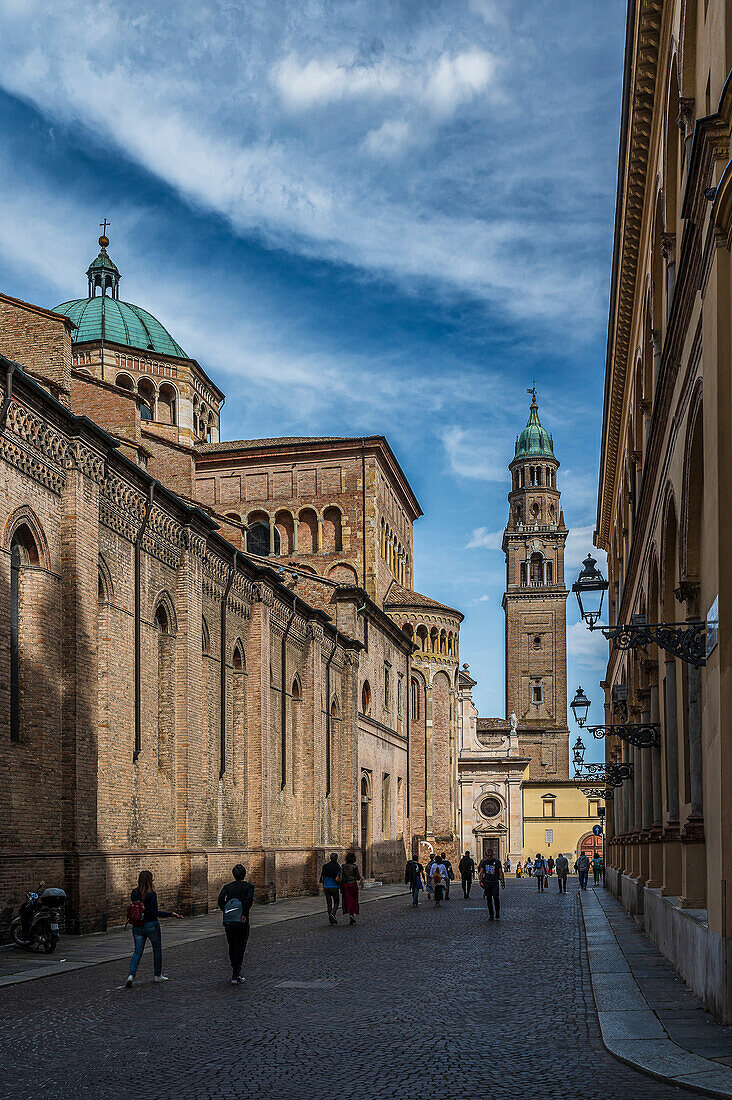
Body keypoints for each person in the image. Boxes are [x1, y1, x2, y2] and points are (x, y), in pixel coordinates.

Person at [125, 870, 182, 987]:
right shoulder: (152, 894)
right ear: (150, 880)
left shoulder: (134, 893)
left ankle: (131, 975)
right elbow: (155, 912)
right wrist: (171, 914)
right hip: (151, 925)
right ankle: (157, 975)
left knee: (137, 951)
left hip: (137, 926)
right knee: (157, 950)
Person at [217, 864, 255, 983]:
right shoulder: (249, 887)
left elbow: (220, 899)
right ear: (244, 874)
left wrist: (226, 910)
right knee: (240, 946)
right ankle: (236, 973)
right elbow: (249, 900)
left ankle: (234, 971)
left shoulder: (228, 887)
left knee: (232, 946)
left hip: (229, 921)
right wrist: (243, 913)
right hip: (242, 921)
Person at [478, 847, 505, 919]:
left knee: (496, 897)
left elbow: (501, 872)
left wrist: (503, 882)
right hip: (487, 883)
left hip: (495, 882)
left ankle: (497, 912)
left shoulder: (497, 862)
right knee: (489, 899)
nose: (489, 857)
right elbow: (481, 872)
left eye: (490, 855)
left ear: (493, 855)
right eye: (488, 856)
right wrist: (480, 881)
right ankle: (491, 914)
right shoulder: (484, 862)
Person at [319, 852, 342, 925]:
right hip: (334, 887)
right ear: (336, 858)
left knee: (329, 903)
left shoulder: (325, 866)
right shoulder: (338, 867)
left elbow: (323, 878)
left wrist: (323, 887)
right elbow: (337, 878)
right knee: (336, 901)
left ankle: (330, 920)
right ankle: (333, 913)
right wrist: (339, 885)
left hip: (326, 887)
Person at [340, 852, 361, 924]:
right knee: (354, 899)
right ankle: (352, 913)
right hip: (353, 884)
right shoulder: (355, 866)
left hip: (345, 884)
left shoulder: (343, 866)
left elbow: (341, 877)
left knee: (347, 899)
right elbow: (358, 877)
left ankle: (350, 913)